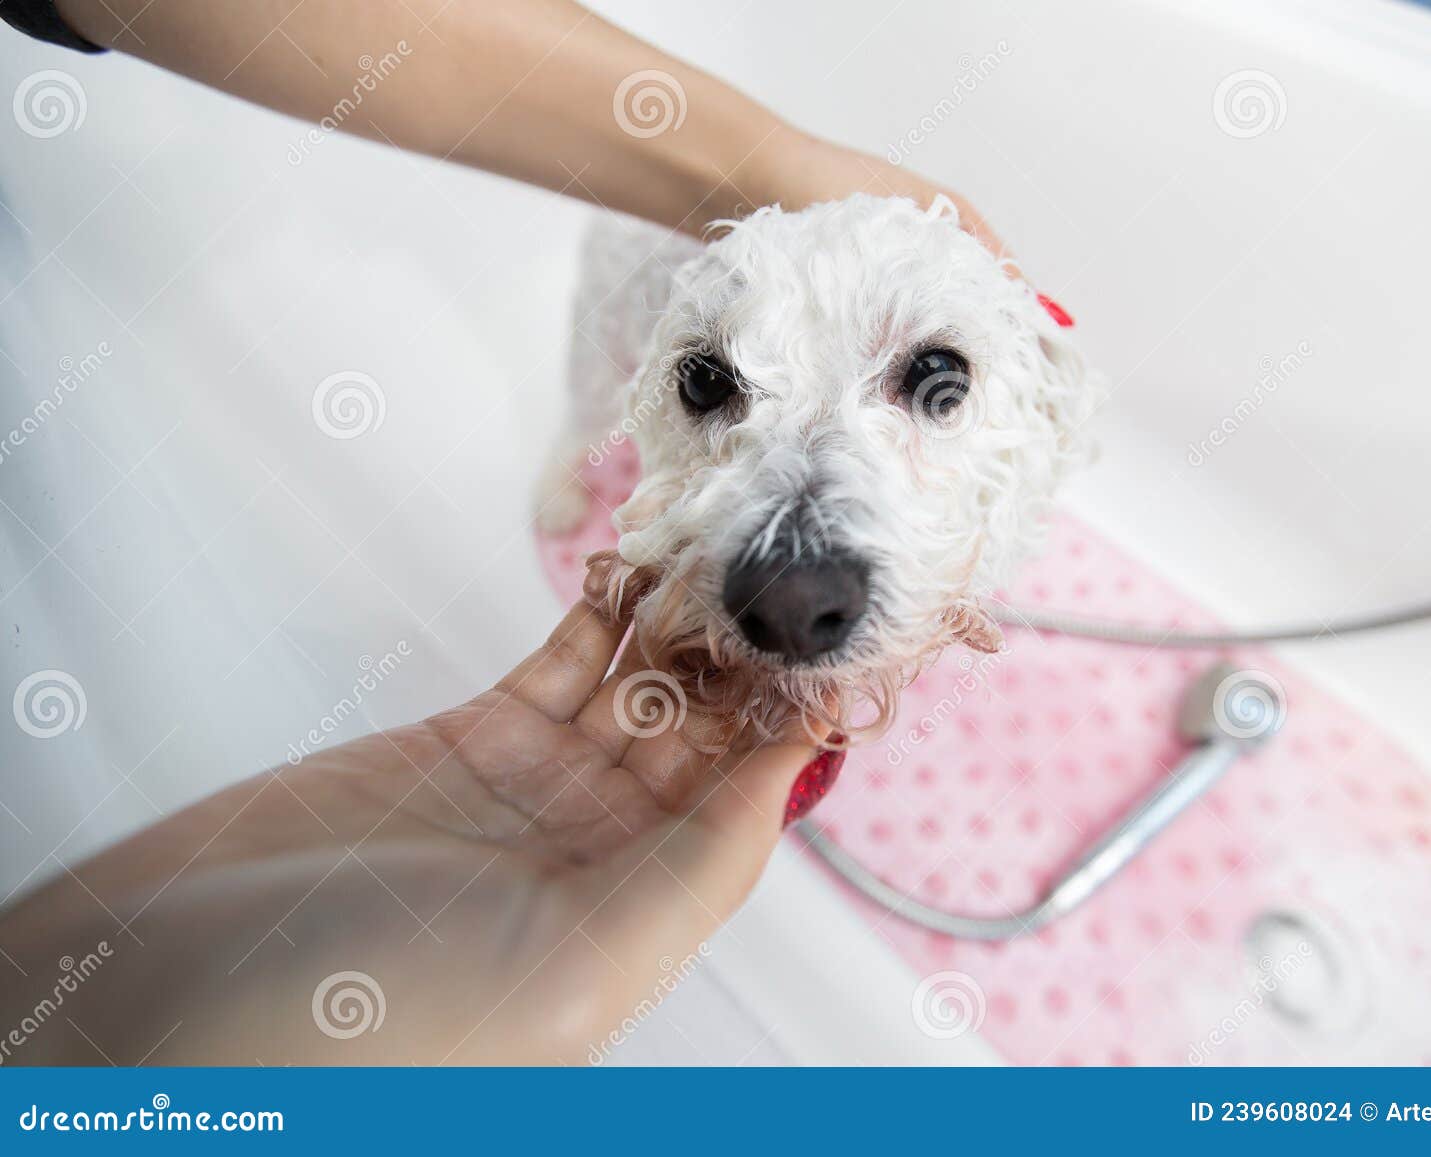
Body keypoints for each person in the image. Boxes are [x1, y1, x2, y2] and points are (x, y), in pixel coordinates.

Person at [0, 0, 1007, 1064]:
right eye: (708, 383)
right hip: (630, 262)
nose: (796, 580)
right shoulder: (639, 276)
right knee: (590, 401)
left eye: (931, 380)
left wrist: (82, 992)